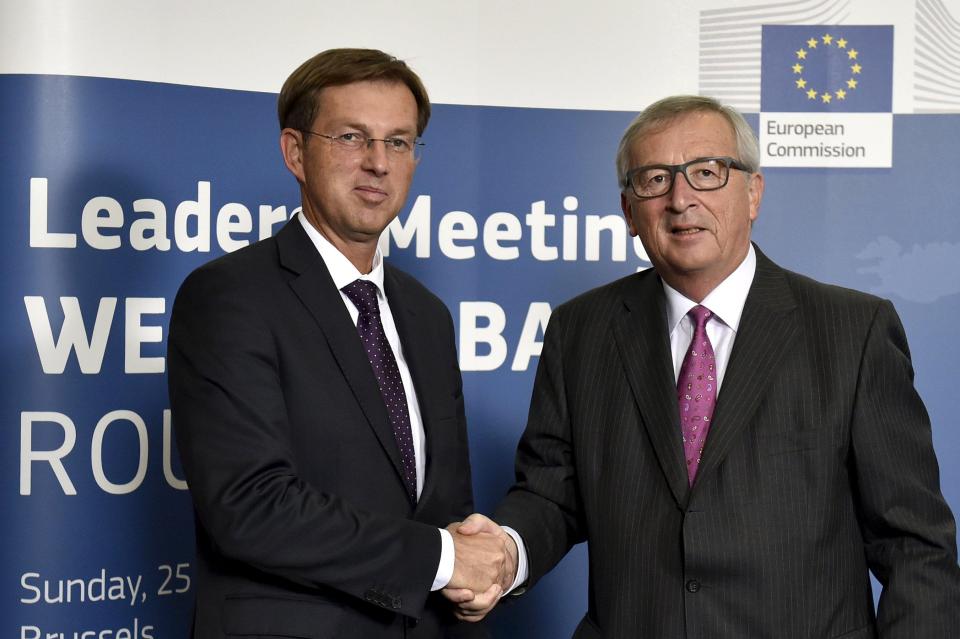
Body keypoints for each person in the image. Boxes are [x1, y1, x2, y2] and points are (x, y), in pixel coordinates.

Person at [446, 95, 960, 637]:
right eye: (654, 180)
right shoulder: (581, 330)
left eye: (707, 173)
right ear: (628, 212)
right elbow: (553, 491)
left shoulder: (853, 330)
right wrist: (506, 551)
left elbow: (913, 546)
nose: (680, 199)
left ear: (753, 192)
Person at [168, 48, 509, 639]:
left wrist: (472, 574)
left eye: (399, 142)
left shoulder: (426, 315)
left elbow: (444, 507)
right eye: (353, 137)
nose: (378, 163)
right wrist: (445, 560)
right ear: (295, 152)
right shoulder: (228, 297)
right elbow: (251, 505)